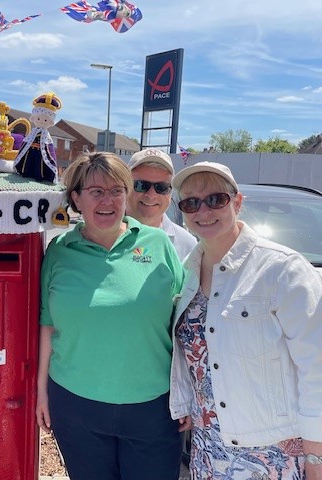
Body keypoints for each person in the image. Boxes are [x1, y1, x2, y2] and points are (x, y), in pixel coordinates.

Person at [37, 152, 188, 480]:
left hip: (154, 407)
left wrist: (186, 391)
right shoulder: (59, 251)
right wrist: (41, 392)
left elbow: (183, 323)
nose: (107, 200)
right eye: (96, 191)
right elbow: (47, 325)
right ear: (76, 197)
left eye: (116, 190)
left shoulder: (158, 243)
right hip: (76, 405)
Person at [169, 161, 322, 479]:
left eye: (215, 199)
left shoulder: (282, 269)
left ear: (237, 202)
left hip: (272, 454)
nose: (203, 211)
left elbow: (316, 369)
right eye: (191, 202)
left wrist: (315, 459)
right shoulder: (186, 271)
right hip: (207, 448)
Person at [127, 148, 196, 260]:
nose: (151, 195)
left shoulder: (187, 244)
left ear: (171, 192)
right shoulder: (99, 234)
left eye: (162, 187)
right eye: (141, 185)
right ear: (125, 186)